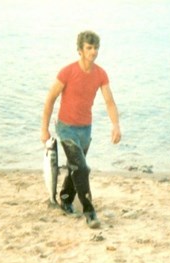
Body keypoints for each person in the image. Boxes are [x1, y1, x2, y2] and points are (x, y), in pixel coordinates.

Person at [41, 30, 121, 229]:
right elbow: (50, 99)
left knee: (76, 168)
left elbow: (109, 102)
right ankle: (89, 211)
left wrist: (116, 125)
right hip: (66, 128)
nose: (93, 52)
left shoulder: (100, 74)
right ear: (80, 50)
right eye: (89, 48)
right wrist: (44, 129)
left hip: (85, 129)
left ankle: (65, 199)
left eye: (95, 48)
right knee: (82, 168)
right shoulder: (67, 72)